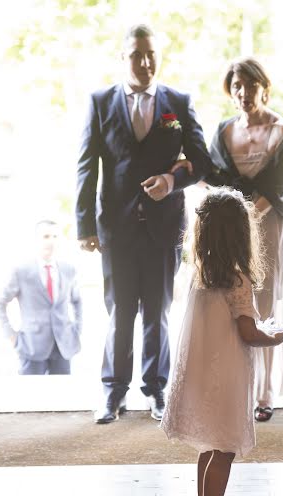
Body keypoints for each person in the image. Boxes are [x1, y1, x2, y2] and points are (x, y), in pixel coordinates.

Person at [76, 24, 211, 424]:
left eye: (151, 54)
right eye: (137, 55)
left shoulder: (178, 102)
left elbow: (202, 162)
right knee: (118, 312)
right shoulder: (100, 102)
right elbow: (86, 167)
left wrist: (172, 181)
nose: (146, 62)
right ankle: (112, 393)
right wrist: (85, 225)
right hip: (116, 228)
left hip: (164, 226)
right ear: (124, 58)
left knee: (158, 312)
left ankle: (156, 390)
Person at [161, 188, 283, 496]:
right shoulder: (237, 280)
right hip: (227, 377)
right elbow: (248, 333)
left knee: (209, 443)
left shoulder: (201, 275)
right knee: (224, 448)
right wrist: (274, 336)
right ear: (241, 233)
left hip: (203, 372)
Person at [206, 57, 283, 422]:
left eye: (250, 85)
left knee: (265, 297)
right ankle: (234, 383)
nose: (243, 93)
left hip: (268, 221)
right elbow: (213, 176)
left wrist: (249, 216)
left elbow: (278, 185)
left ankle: (265, 392)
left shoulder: (282, 130)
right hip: (230, 225)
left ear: (264, 86)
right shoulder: (225, 131)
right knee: (232, 297)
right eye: (237, 86)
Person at [0, 219, 83, 375]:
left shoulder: (69, 270)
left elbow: (77, 301)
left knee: (62, 396)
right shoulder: (21, 271)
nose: (51, 241)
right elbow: (0, 303)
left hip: (63, 346)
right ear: (36, 240)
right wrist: (11, 336)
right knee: (31, 395)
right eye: (46, 237)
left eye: (55, 237)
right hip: (31, 346)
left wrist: (77, 330)